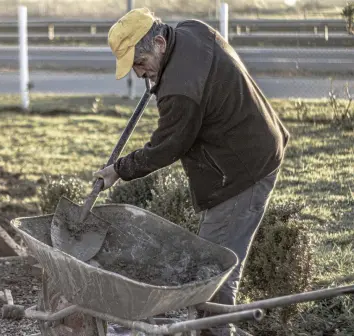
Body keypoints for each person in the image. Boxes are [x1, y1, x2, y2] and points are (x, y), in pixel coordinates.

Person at [95, 8, 290, 335]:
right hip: (253, 145)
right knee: (214, 261)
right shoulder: (190, 31)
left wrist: (119, 170)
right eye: (134, 68)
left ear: (158, 42)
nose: (140, 74)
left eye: (140, 64)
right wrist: (158, 79)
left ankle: (214, 331)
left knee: (212, 274)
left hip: (241, 172)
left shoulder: (180, 89)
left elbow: (167, 146)